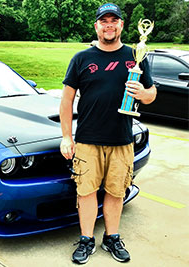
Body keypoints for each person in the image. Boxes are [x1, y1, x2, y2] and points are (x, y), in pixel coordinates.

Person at [59, 3, 157, 264]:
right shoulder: (81, 58)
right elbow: (66, 100)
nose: (109, 25)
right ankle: (86, 239)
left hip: (121, 140)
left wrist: (144, 94)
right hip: (88, 140)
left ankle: (111, 237)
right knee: (86, 192)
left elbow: (152, 93)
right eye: (104, 21)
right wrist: (67, 136)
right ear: (97, 26)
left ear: (122, 25)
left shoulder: (136, 55)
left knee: (116, 192)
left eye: (114, 20)